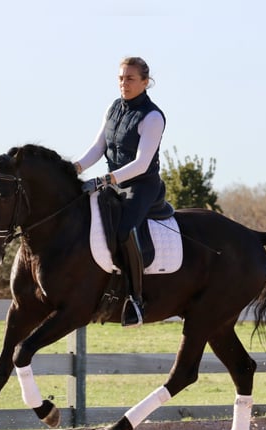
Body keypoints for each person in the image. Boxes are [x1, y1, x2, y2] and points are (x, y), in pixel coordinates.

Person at [74, 56, 167, 328]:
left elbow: (141, 163)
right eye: (120, 78)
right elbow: (98, 146)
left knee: (124, 230)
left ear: (145, 82)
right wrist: (74, 168)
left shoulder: (152, 117)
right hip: (113, 183)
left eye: (130, 79)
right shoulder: (114, 108)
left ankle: (137, 300)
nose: (123, 84)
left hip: (142, 186)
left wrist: (105, 179)